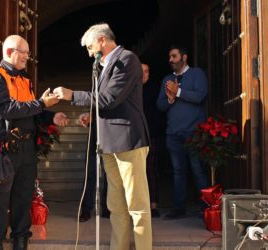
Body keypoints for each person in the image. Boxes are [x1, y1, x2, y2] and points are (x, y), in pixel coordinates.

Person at [53, 23, 152, 250]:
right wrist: (92, 115)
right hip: (108, 143)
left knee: (137, 205)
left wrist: (72, 95)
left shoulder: (127, 59)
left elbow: (109, 99)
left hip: (128, 141)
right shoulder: (103, 65)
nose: (89, 53)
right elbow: (106, 103)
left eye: (89, 47)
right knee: (115, 205)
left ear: (101, 41)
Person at [0, 35, 69, 250]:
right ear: (9, 52)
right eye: (24, 53)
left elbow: (30, 111)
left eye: (28, 53)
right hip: (1, 146)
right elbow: (5, 110)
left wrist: (50, 116)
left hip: (26, 148)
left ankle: (20, 238)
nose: (28, 57)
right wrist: (40, 103)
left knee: (23, 195)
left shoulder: (25, 78)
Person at [156, 45, 209, 220]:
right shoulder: (167, 79)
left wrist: (177, 92)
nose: (170, 60)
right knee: (178, 172)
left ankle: (206, 209)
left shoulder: (197, 74)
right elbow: (160, 105)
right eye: (169, 57)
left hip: (194, 133)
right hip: (173, 134)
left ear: (184, 57)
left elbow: (200, 96)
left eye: (174, 56)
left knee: (198, 170)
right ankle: (179, 209)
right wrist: (170, 99)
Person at [142, 63, 165, 218]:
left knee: (151, 169)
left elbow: (160, 109)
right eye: (141, 71)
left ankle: (153, 205)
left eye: (147, 71)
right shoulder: (129, 88)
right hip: (134, 136)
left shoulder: (155, 88)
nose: (144, 74)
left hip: (152, 134)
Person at [77, 112, 109, 222]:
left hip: (112, 130)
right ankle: (86, 209)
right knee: (90, 172)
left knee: (111, 174)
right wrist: (90, 115)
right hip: (96, 130)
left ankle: (107, 208)